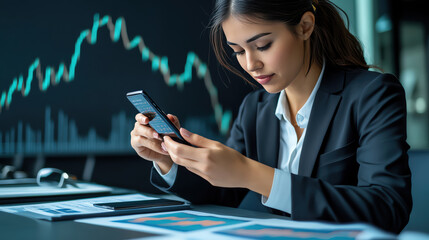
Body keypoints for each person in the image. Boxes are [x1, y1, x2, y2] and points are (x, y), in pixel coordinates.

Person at [130, 0, 412, 233]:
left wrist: (252, 173)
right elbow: (224, 192)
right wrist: (167, 159)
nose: (251, 64)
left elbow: (386, 208)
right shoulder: (256, 107)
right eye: (238, 51)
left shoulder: (372, 94)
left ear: (304, 27)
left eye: (263, 45)